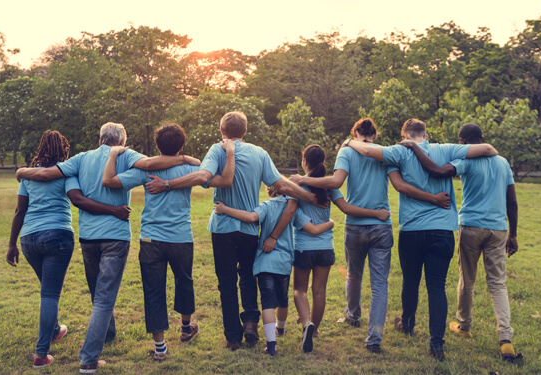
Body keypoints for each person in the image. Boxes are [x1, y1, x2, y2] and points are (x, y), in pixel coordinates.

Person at [16, 122, 197, 373]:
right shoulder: (126, 154)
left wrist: (22, 172)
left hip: (88, 237)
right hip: (115, 235)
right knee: (104, 299)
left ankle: (108, 333)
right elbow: (151, 164)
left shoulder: (80, 159)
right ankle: (88, 359)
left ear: (100, 138)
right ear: (122, 141)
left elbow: (47, 175)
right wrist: (186, 158)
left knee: (96, 293)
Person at [144, 111, 319, 351]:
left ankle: (232, 337)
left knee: (226, 282)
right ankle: (250, 323)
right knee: (248, 276)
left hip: (223, 227)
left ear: (222, 131)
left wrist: (167, 184)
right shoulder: (259, 153)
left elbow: (202, 176)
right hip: (249, 227)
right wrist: (310, 196)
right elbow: (281, 184)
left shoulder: (217, 150)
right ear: (245, 131)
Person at [289, 120, 451, 354]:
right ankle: (374, 338)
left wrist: (302, 180)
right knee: (379, 284)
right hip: (381, 226)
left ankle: (353, 315)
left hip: (355, 226)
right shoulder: (384, 153)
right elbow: (398, 184)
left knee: (354, 275)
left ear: (354, 133)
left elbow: (335, 182)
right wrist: (432, 197)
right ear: (375, 135)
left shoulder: (346, 151)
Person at [345, 118, 498, 361]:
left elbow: (366, 149)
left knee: (410, 281)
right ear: (426, 136)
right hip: (442, 231)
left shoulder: (400, 151)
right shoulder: (446, 149)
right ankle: (437, 344)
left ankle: (407, 323)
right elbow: (489, 149)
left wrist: (348, 141)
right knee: (436, 287)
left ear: (404, 136)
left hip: (413, 230)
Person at [101, 123, 236, 361]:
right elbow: (219, 179)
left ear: (156, 145)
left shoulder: (146, 169)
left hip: (151, 239)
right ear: (181, 145)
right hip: (181, 237)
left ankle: (160, 347)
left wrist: (113, 156)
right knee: (184, 282)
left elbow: (110, 181)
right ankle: (185, 328)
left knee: (153, 290)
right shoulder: (189, 167)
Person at [7, 130, 131, 369]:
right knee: (50, 294)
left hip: (29, 239)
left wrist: (12, 244)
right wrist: (114, 209)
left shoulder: (29, 176)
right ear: (63, 150)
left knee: (47, 289)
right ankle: (41, 354)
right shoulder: (67, 171)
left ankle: (55, 330)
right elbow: (77, 199)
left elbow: (19, 210)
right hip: (57, 237)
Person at [399, 123, 519, 361]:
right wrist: (513, 234)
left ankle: (464, 325)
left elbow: (437, 171)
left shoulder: (466, 162)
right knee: (498, 283)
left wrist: (413, 147)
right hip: (498, 229)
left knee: (467, 278)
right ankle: (505, 338)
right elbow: (512, 201)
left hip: (471, 226)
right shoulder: (503, 162)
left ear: (463, 142)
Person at [213, 186, 334, 357]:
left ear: (269, 192)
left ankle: (271, 345)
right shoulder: (293, 209)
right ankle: (281, 329)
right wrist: (331, 223)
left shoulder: (266, 205)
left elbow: (251, 217)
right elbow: (312, 229)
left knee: (267, 303)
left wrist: (224, 209)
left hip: (264, 263)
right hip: (283, 264)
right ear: (287, 192)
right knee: (282, 301)